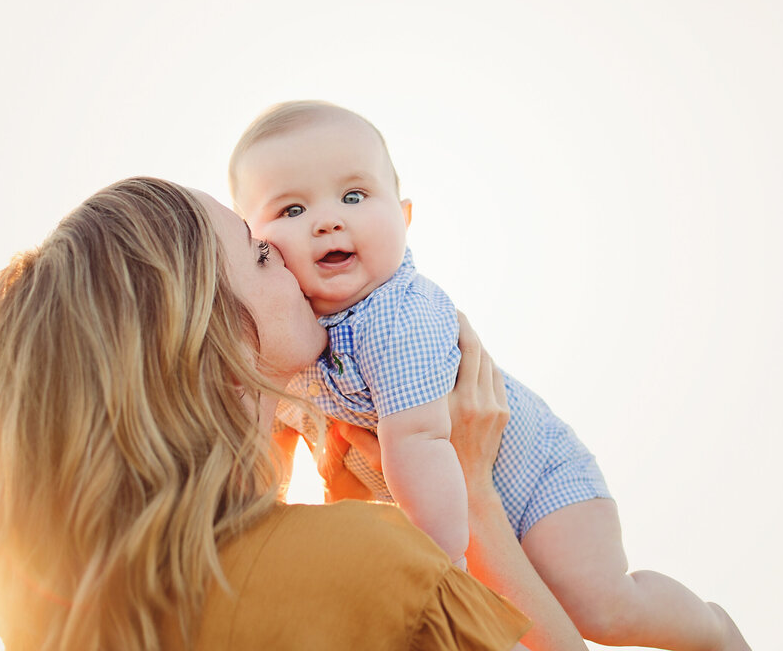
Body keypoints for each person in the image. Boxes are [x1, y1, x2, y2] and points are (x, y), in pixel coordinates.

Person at [0, 176, 585, 651]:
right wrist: (473, 495)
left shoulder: (87, 622)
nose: (287, 255)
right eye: (258, 254)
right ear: (209, 337)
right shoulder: (374, 570)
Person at [228, 102, 751, 651]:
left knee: (599, 605)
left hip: (539, 483)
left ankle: (712, 631)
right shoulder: (289, 334)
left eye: (354, 196)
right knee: (500, 630)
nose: (328, 220)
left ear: (404, 218)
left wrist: (441, 564)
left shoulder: (396, 314)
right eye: (290, 209)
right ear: (256, 244)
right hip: (446, 503)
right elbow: (274, 438)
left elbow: (422, 438)